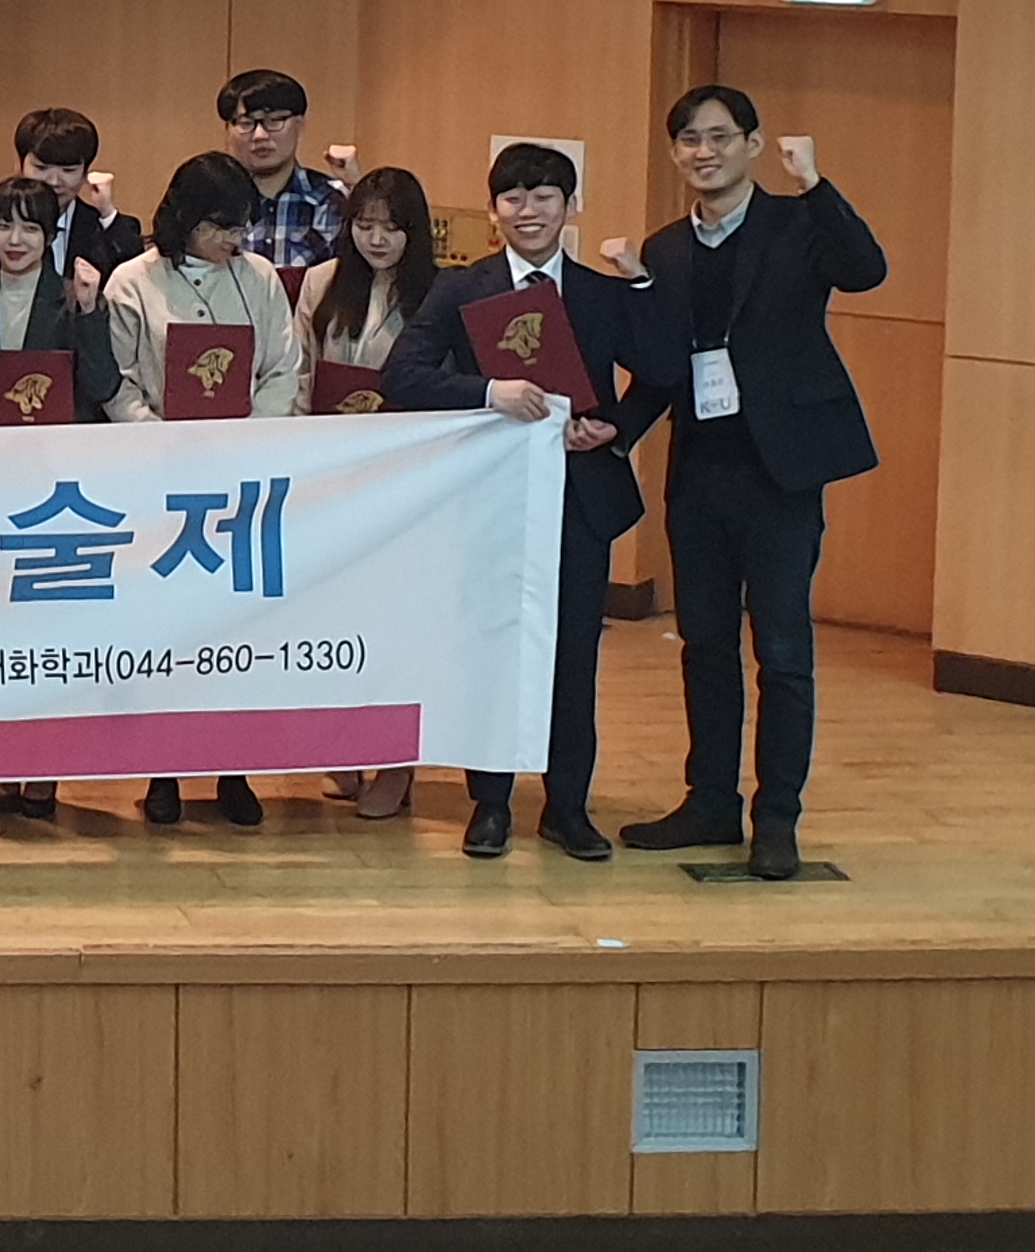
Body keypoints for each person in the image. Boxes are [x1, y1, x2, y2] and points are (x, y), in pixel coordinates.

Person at [623, 85, 886, 882]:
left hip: (780, 474)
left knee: (782, 652)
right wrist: (613, 432)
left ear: (752, 143)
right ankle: (710, 801)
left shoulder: (799, 223)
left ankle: (777, 819)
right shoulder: (667, 249)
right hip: (699, 472)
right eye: (688, 140)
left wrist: (815, 184)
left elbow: (867, 270)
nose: (702, 152)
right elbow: (664, 367)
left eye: (718, 137)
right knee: (704, 645)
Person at [381, 143, 669, 862]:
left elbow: (662, 373)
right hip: (489, 498)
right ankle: (490, 803)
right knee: (493, 649)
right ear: (493, 211)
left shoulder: (599, 292)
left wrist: (613, 427)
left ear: (571, 207)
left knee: (573, 655)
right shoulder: (462, 288)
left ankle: (567, 806)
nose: (529, 210)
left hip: (578, 496)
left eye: (544, 196)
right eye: (513, 197)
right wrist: (489, 393)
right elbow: (403, 375)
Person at [97, 152, 305, 830]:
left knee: (235, 630)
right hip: (161, 478)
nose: (233, 241)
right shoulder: (134, 282)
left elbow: (284, 367)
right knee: (166, 631)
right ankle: (163, 770)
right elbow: (120, 380)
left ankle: (233, 767)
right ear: (184, 218)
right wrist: (160, 440)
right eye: (221, 227)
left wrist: (248, 436)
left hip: (240, 477)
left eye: (243, 227)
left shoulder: (260, 278)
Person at [0, 176, 119, 824]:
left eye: (31, 227)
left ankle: (45, 766)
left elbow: (102, 385)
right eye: (4, 225)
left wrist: (93, 311)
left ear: (51, 236)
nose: (15, 239)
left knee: (50, 638)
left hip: (59, 494)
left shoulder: (75, 300)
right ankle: (2, 760)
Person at [295, 164, 439, 821]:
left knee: (397, 625)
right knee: (334, 620)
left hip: (407, 477)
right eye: (364, 225)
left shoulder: (439, 291)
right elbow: (299, 369)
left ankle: (397, 764)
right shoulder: (323, 282)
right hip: (330, 470)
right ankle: (344, 744)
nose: (377, 240)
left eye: (391, 227)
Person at [217, 69, 344, 276]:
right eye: (246, 123)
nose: (259, 135)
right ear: (228, 130)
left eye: (274, 121)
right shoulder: (210, 201)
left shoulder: (333, 199)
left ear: (299, 125)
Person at [13, 106, 142, 276]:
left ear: (85, 173)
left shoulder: (102, 227)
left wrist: (107, 212)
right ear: (20, 166)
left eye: (68, 170)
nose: (53, 181)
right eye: (41, 168)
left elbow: (134, 274)